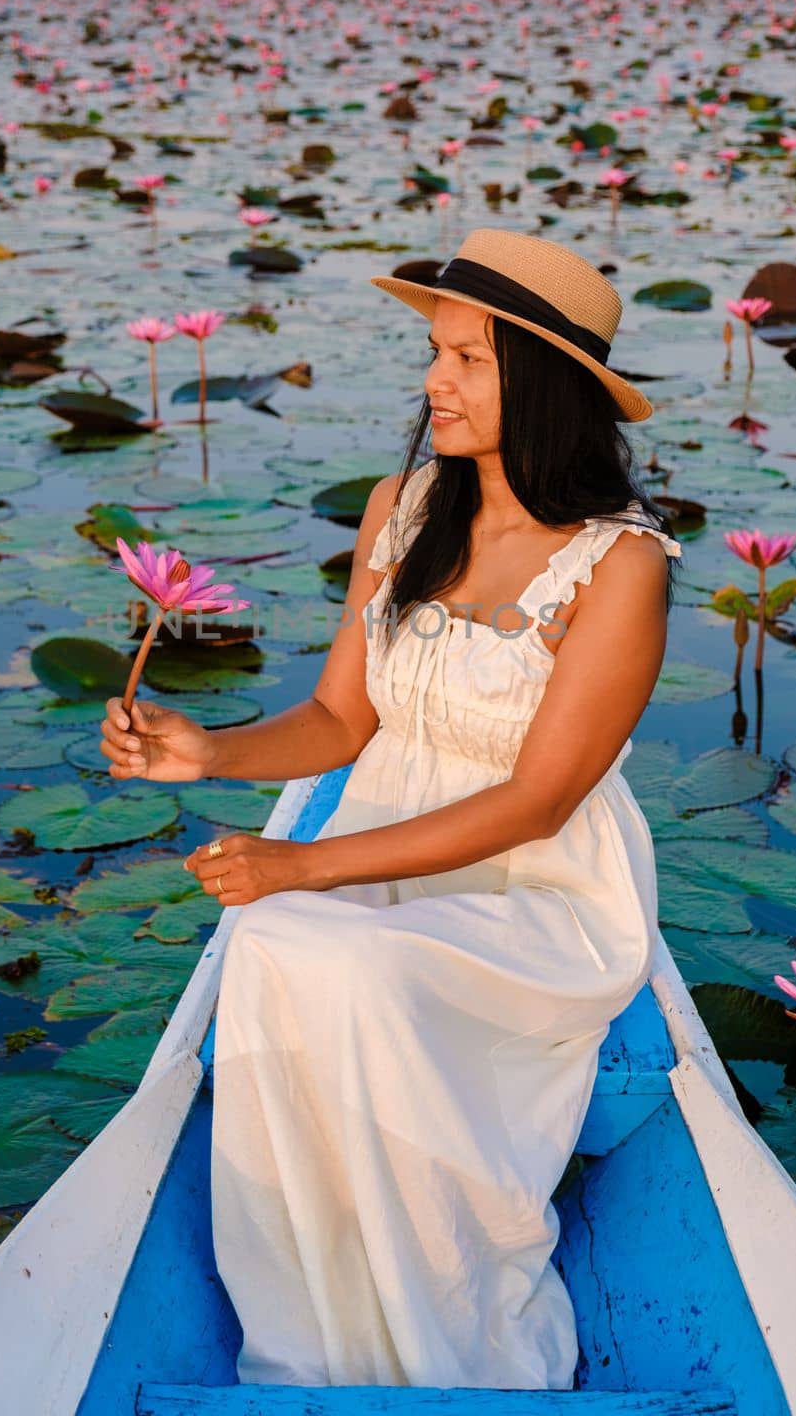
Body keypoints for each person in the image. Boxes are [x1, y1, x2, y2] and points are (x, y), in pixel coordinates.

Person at [98, 228, 683, 1391]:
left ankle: (448, 1324)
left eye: (468, 358)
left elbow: (537, 800)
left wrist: (301, 864)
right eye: (435, 352)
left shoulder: (620, 565)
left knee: (335, 958)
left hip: (536, 892)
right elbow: (339, 722)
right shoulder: (403, 509)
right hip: (391, 852)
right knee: (267, 944)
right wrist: (206, 752)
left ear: (547, 383)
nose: (434, 382)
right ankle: (312, 1328)